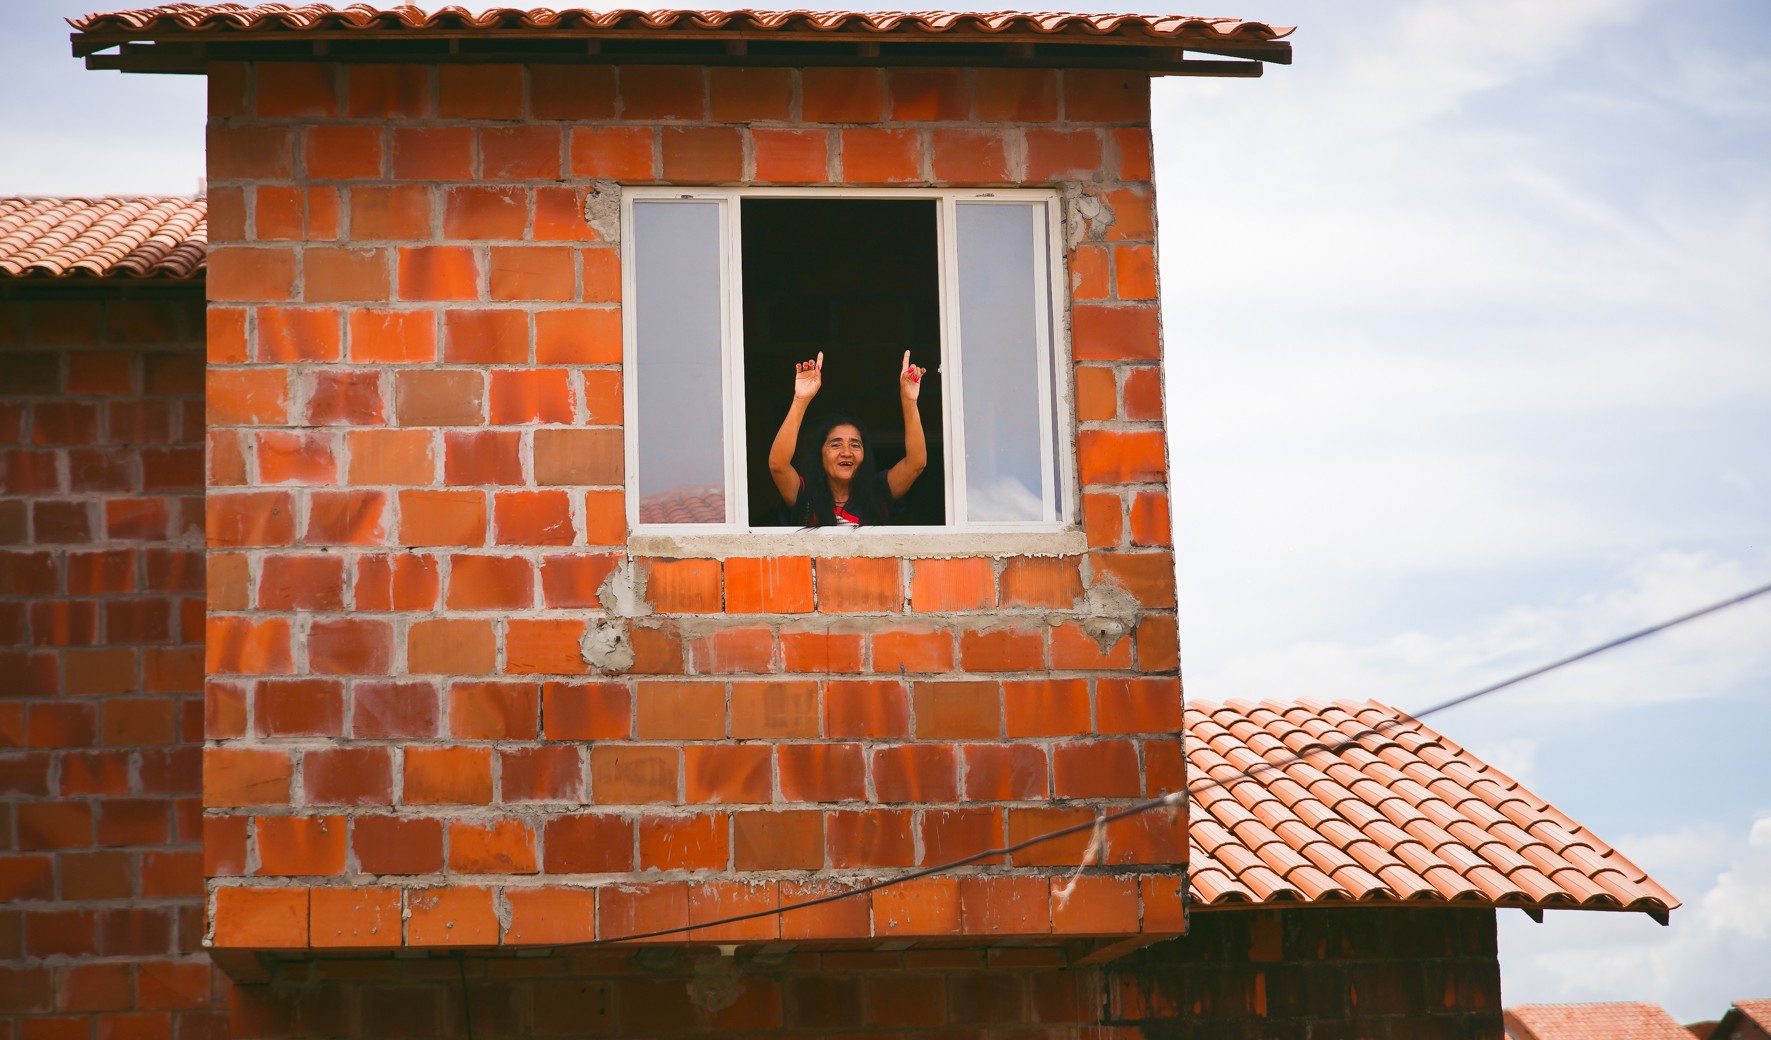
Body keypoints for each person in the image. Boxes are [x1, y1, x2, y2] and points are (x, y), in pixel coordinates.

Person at [768, 350, 927, 527]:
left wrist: (909, 401)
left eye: (855, 445)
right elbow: (778, 465)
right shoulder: (805, 495)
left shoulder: (879, 491)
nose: (846, 452)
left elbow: (916, 463)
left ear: (865, 454)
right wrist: (800, 400)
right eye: (835, 445)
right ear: (820, 454)